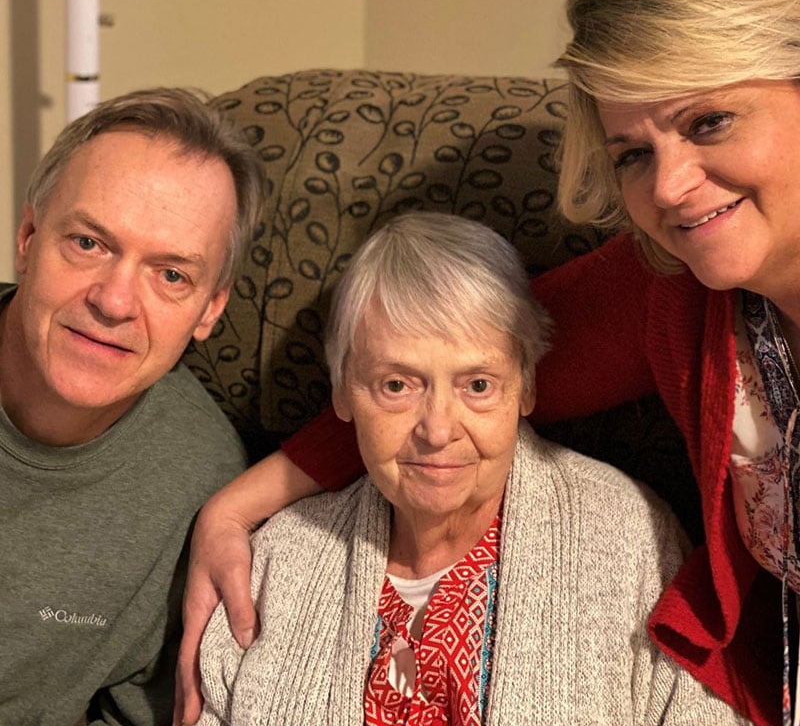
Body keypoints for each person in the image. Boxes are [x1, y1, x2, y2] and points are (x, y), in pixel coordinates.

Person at [174, 0, 798, 724]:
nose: (670, 186)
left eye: (709, 121)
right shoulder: (669, 286)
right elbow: (452, 368)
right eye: (632, 154)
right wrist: (232, 510)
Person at [195, 212, 744, 725]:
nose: (437, 430)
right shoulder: (277, 559)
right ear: (342, 394)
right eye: (396, 385)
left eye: (478, 385)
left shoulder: (625, 537)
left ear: (526, 386)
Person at [0, 87, 265, 726]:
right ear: (29, 238)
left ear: (210, 310)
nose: (115, 302)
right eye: (89, 243)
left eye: (171, 275)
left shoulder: (203, 489)